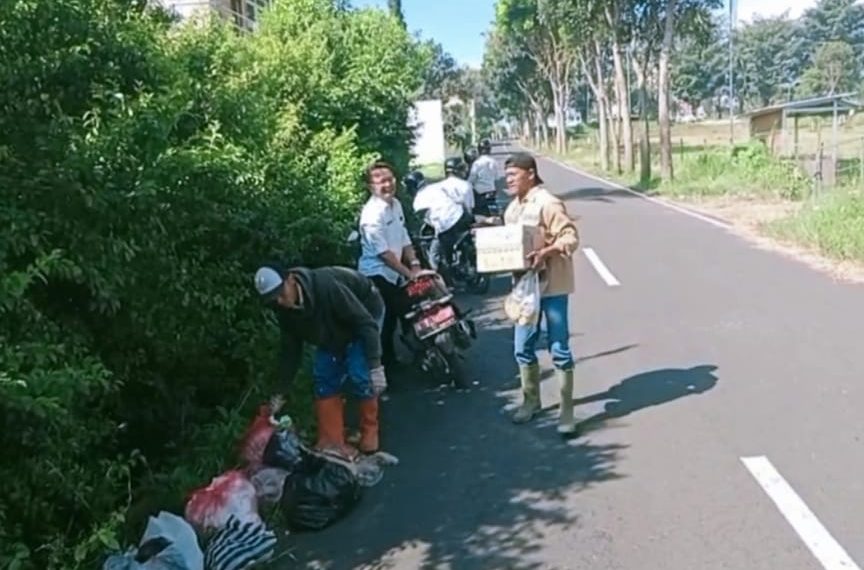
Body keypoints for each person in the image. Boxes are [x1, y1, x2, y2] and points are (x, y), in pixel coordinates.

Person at [254, 264, 387, 456]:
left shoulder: (327, 287)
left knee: (360, 373)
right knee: (324, 378)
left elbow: (365, 324)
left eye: (281, 293)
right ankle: (331, 441)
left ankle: (370, 433)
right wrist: (280, 392)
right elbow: (290, 352)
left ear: (291, 279)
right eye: (274, 299)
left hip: (364, 314)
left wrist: (375, 366)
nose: (281, 301)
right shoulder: (284, 311)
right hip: (331, 331)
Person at [502, 152, 581, 435]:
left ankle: (566, 410)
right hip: (525, 289)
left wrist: (547, 251)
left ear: (530, 174)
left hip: (553, 286)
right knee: (522, 347)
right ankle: (530, 401)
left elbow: (570, 237)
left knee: (558, 347)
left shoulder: (548, 203)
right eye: (506, 176)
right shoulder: (512, 210)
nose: (508, 180)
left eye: (513, 175)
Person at [357, 159, 422, 371]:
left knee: (404, 313)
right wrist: (408, 274)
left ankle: (404, 358)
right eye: (381, 182)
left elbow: (403, 238)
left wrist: (414, 265)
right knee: (385, 321)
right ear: (371, 187)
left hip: (394, 272)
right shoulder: (371, 214)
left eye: (390, 179)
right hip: (375, 274)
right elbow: (384, 254)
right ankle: (382, 371)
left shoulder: (396, 205)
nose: (387, 185)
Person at [411, 157, 475, 284]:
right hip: (461, 217)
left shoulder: (435, 188)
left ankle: (439, 278)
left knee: (435, 254)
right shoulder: (464, 185)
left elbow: (424, 216)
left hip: (447, 223)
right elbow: (469, 207)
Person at [468, 138, 499, 216]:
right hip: (492, 191)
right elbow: (496, 177)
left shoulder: (477, 163)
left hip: (479, 193)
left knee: (476, 213)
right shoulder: (494, 161)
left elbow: (471, 179)